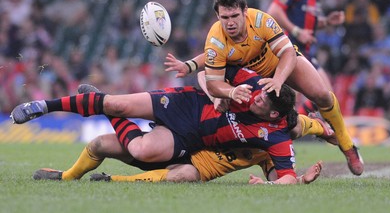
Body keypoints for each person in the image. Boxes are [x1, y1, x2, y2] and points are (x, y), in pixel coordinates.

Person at [164, 0, 363, 176]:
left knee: (322, 95)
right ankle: (318, 128)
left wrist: (278, 80)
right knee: (289, 129)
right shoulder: (216, 35)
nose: (230, 22)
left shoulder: (261, 21)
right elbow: (211, 58)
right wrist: (192, 69)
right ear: (218, 16)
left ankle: (346, 144)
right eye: (225, 17)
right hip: (249, 80)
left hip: (278, 66)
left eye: (234, 16)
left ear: (245, 12)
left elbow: (288, 53)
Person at [11, 65, 314, 184]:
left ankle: (101, 120)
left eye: (263, 102)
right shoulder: (251, 82)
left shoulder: (275, 138)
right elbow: (208, 70)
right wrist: (215, 91)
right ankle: (42, 107)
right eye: (259, 93)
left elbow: (285, 173)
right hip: (186, 102)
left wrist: (289, 181)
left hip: (189, 137)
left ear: (274, 116)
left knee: (127, 147)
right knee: (116, 102)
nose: (256, 98)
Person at [32, 124, 323, 185]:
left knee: (185, 175)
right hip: (177, 145)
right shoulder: (237, 113)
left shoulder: (274, 147)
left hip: (198, 169)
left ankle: (111, 180)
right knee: (100, 144)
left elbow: (278, 179)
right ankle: (67, 176)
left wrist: (299, 180)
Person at [266, 0, 344, 95]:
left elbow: (305, 23)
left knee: (325, 96)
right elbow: (273, 11)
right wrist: (296, 31)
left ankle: (304, 118)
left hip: (304, 50)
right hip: (290, 50)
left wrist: (327, 21)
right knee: (324, 95)